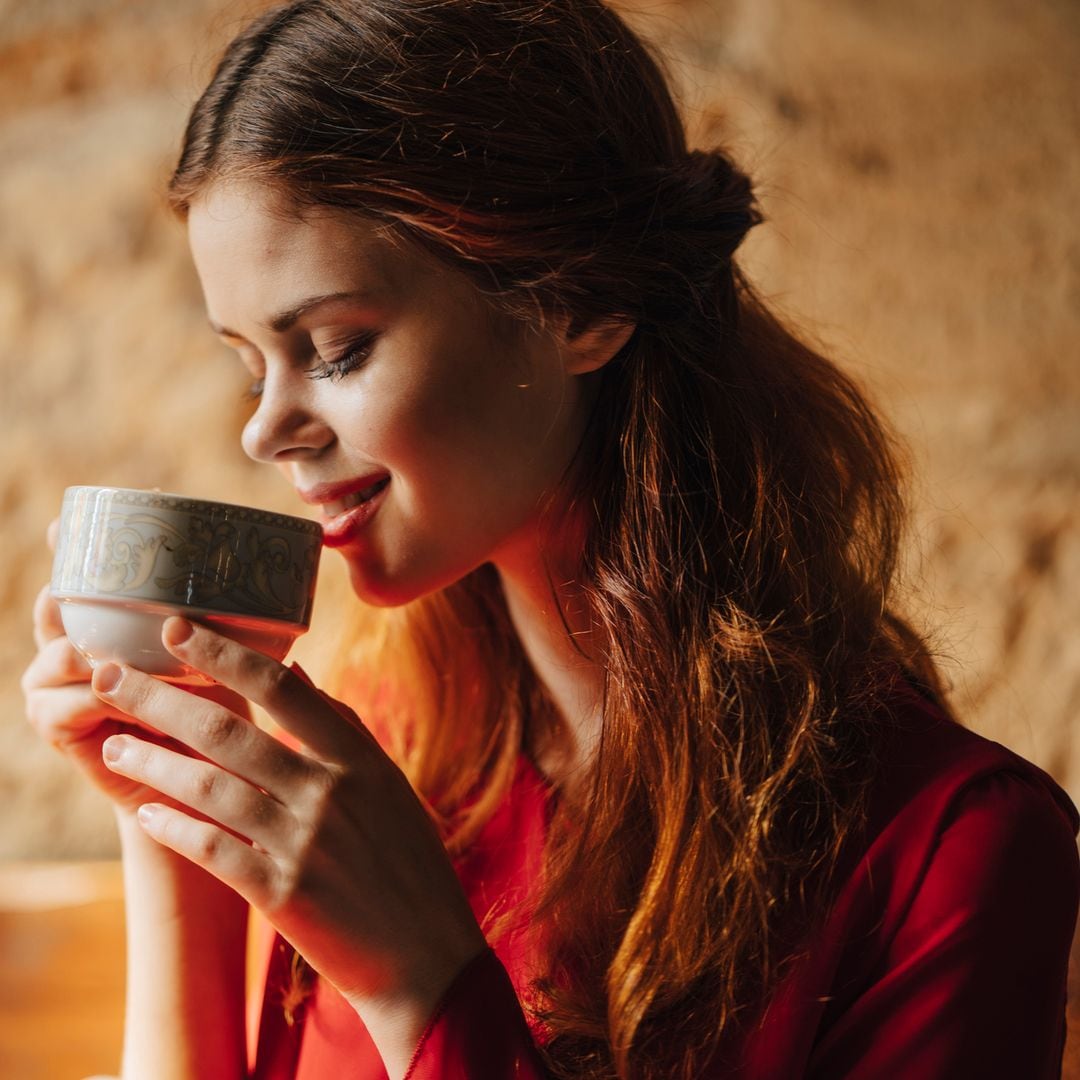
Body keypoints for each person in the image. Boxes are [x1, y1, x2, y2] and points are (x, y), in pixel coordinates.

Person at [22, 1, 1080, 1077]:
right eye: (253, 363)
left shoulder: (953, 853)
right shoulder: (395, 756)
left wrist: (424, 985)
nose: (265, 429)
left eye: (335, 349)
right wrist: (169, 821)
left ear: (583, 303)